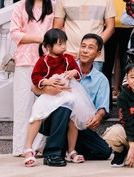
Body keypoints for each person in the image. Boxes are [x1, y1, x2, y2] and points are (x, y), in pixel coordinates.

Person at [34, 33, 113, 167]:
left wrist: (98, 117)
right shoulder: (63, 64)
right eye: (83, 46)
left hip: (77, 125)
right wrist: (48, 89)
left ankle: (66, 150)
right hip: (54, 117)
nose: (85, 50)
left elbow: (103, 107)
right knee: (65, 106)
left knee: (104, 151)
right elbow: (35, 89)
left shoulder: (101, 79)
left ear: (98, 53)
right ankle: (52, 154)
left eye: (90, 48)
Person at [10, 0, 55, 157]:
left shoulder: (53, 7)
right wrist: (39, 38)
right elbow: (14, 33)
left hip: (47, 62)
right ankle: (21, 147)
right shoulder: (20, 7)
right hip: (24, 60)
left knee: (43, 104)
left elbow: (57, 33)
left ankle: (37, 147)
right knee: (23, 103)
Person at [23, 29, 82, 167]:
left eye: (64, 43)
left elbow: (77, 72)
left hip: (66, 94)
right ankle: (28, 148)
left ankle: (71, 150)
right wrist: (46, 81)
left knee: (74, 119)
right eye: (60, 44)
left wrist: (74, 72)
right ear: (49, 46)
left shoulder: (68, 58)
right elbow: (35, 77)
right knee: (37, 115)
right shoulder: (43, 60)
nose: (64, 47)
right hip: (49, 95)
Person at [53, 0, 116, 70]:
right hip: (70, 54)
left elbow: (110, 27)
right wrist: (64, 51)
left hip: (95, 57)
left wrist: (95, 47)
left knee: (92, 82)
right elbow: (57, 29)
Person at [98, 0, 132, 96]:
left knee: (126, 62)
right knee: (107, 63)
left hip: (129, 27)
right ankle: (105, 97)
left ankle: (123, 96)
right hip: (109, 27)